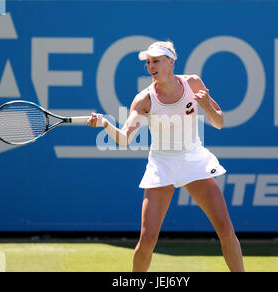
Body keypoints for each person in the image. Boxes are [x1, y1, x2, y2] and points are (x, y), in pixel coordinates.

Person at [87, 41, 245, 272]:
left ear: (171, 62)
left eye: (156, 60)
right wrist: (105, 124)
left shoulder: (193, 83)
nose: (151, 66)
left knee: (224, 227)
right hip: (162, 164)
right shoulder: (144, 100)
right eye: (148, 62)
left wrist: (206, 106)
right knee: (148, 240)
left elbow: (219, 122)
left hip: (194, 159)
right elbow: (124, 138)